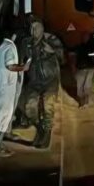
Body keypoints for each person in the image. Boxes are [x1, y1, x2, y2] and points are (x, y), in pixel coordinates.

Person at [16, 18, 64, 149]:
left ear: (42, 28)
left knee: (48, 106)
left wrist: (53, 51)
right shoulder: (26, 43)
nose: (34, 31)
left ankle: (46, 133)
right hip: (34, 81)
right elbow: (21, 60)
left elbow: (62, 57)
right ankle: (40, 128)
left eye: (36, 27)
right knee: (29, 106)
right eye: (31, 28)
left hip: (50, 80)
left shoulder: (51, 39)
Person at [0, 26, 28, 159]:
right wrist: (23, 67)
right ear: (13, 36)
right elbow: (10, 66)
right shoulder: (9, 47)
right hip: (4, 91)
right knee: (3, 118)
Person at [74, 24, 94, 108]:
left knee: (85, 85)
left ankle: (85, 102)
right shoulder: (83, 47)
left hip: (87, 68)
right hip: (84, 68)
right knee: (82, 85)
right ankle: (83, 102)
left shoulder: (88, 46)